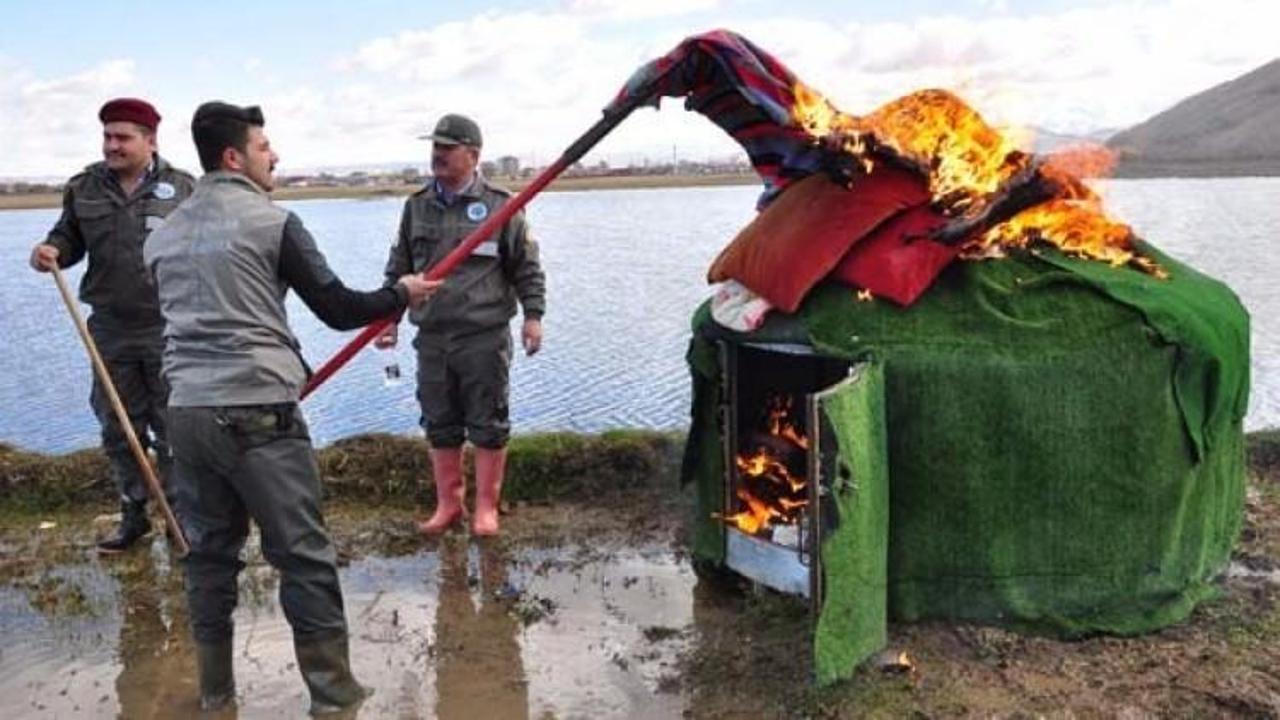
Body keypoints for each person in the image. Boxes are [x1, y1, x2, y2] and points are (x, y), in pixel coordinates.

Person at [144, 101, 438, 714]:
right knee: (304, 558)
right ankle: (334, 698)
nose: (273, 156)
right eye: (263, 146)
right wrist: (400, 293)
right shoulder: (273, 221)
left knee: (209, 556)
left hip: (187, 412)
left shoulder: (162, 232)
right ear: (234, 157)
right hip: (258, 412)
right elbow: (337, 307)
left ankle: (215, 695)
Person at [29, 98, 195, 554]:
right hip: (110, 330)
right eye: (108, 136)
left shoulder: (184, 189)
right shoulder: (84, 187)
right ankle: (134, 515)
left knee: (174, 428)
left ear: (151, 141)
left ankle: (179, 519)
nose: (112, 145)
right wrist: (50, 251)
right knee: (120, 429)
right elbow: (69, 238)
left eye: (123, 137)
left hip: (169, 328)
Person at [377, 113, 546, 537]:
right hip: (432, 337)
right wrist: (389, 318)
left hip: (483, 336)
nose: (437, 155)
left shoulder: (500, 205)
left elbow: (527, 267)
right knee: (439, 421)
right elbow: (399, 268)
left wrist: (534, 317)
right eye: (435, 147)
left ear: (472, 154)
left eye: (446, 148)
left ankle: (485, 509)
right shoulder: (415, 206)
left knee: (488, 422)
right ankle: (448, 506)